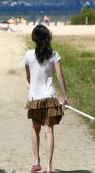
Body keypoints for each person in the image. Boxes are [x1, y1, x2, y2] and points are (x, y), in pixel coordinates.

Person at [24, 24, 69, 173]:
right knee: (48, 131)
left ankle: (36, 161)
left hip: (34, 99)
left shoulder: (28, 55)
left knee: (35, 128)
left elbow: (28, 77)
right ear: (47, 37)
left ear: (34, 38)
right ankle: (49, 167)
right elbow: (60, 76)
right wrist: (65, 97)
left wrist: (33, 87)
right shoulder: (54, 54)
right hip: (49, 97)